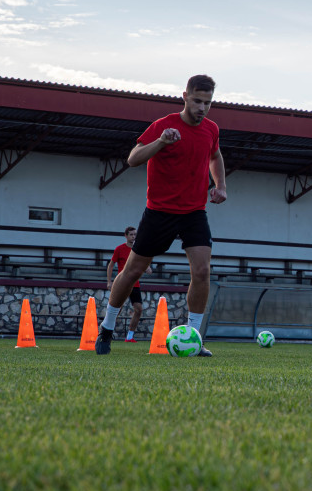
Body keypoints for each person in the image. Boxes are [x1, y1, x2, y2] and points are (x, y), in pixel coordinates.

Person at [95, 74, 226, 356]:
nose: (202, 107)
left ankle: (194, 337)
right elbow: (133, 159)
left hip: (194, 212)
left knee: (202, 271)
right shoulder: (164, 125)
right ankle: (107, 327)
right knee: (132, 271)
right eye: (197, 101)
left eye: (208, 102)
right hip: (159, 212)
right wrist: (161, 143)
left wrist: (221, 185)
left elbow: (215, 156)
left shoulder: (212, 129)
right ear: (185, 97)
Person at [107, 226, 153, 342]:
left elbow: (145, 265)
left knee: (139, 309)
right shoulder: (119, 249)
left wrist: (147, 268)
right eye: (131, 234)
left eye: (135, 235)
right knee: (116, 309)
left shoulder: (138, 250)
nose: (133, 237)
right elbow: (111, 265)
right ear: (126, 236)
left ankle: (129, 336)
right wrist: (109, 281)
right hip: (122, 284)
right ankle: (107, 332)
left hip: (135, 284)